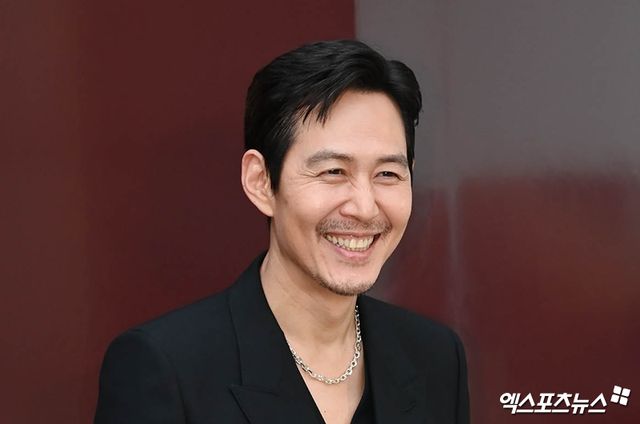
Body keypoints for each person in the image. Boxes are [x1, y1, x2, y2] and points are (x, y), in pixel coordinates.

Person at [94, 39, 469, 424]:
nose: (364, 207)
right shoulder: (164, 368)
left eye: (387, 174)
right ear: (260, 182)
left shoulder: (437, 358)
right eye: (333, 172)